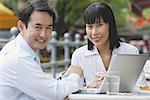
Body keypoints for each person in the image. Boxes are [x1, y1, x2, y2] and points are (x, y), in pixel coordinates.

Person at [0, 0, 84, 100]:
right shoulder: (17, 57)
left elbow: (48, 90)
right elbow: (56, 93)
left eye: (48, 28)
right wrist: (75, 75)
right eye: (38, 27)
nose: (43, 34)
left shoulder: (25, 51)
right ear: (21, 26)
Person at [71, 2, 143, 88]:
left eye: (99, 25)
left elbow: (141, 86)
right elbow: (72, 90)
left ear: (110, 25)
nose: (94, 33)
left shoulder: (130, 52)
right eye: (90, 27)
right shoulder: (79, 55)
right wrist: (89, 86)